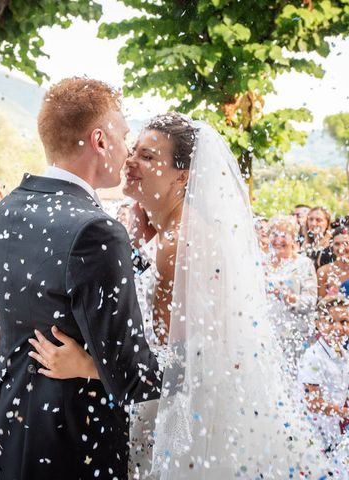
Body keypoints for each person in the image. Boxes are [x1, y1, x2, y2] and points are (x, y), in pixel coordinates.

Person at [28, 112, 332, 478]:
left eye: (149, 157)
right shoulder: (162, 232)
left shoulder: (182, 244)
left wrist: (87, 366)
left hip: (183, 417)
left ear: (183, 176)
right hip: (160, 404)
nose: (131, 161)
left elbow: (193, 362)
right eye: (134, 150)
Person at [0, 78, 161, 480]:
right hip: (71, 438)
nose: (127, 148)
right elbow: (134, 378)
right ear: (99, 139)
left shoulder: (10, 206)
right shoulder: (96, 230)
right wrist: (202, 370)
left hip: (10, 420)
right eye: (124, 134)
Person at [265, 215, 318, 374]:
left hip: (294, 335)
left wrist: (286, 296)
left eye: (283, 235)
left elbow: (310, 301)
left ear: (293, 238)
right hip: (267, 332)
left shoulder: (303, 264)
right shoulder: (262, 262)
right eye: (274, 234)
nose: (278, 239)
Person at [298, 296, 349, 451]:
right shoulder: (313, 356)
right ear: (318, 323)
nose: (338, 328)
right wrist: (344, 412)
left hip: (333, 432)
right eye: (330, 321)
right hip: (311, 434)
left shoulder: (345, 354)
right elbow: (312, 402)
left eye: (344, 322)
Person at [318, 227, 349, 298]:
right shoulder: (324, 272)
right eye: (337, 244)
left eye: (346, 243)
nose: (341, 248)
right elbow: (321, 305)